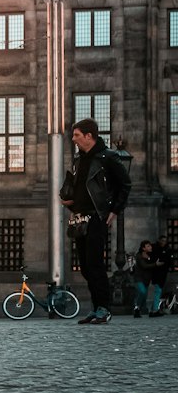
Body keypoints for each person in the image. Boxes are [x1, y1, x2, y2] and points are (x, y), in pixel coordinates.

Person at [60, 117, 131, 325]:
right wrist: (69, 202)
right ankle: (96, 306)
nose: (73, 139)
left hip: (96, 216)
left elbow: (125, 184)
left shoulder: (108, 157)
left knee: (95, 264)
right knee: (84, 267)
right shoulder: (79, 159)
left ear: (89, 136)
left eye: (77, 135)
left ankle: (104, 308)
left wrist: (115, 211)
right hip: (80, 217)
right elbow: (79, 187)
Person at [148, 234, 173, 317]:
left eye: (165, 241)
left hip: (163, 272)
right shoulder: (155, 248)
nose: (164, 242)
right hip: (156, 272)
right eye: (162, 241)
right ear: (159, 240)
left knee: (158, 291)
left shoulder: (167, 249)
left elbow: (169, 260)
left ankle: (153, 309)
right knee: (158, 290)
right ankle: (155, 310)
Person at [131, 240, 155, 318]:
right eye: (148, 246)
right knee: (142, 291)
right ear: (143, 248)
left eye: (150, 246)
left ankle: (138, 310)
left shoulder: (151, 256)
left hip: (147, 279)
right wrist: (155, 264)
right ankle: (136, 307)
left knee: (144, 295)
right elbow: (144, 266)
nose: (150, 247)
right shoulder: (139, 255)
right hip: (139, 277)